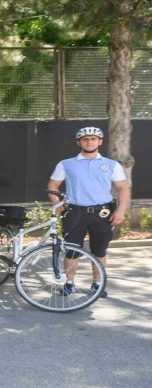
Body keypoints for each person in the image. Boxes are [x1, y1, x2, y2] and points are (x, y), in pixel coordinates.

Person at [47, 126, 130, 298]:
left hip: (102, 213)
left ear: (100, 141)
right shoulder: (66, 164)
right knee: (71, 249)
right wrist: (57, 202)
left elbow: (122, 188)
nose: (89, 142)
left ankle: (97, 284)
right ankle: (69, 283)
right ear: (79, 142)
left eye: (93, 139)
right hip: (74, 212)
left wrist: (120, 210)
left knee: (99, 250)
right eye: (85, 139)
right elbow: (53, 185)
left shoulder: (111, 165)